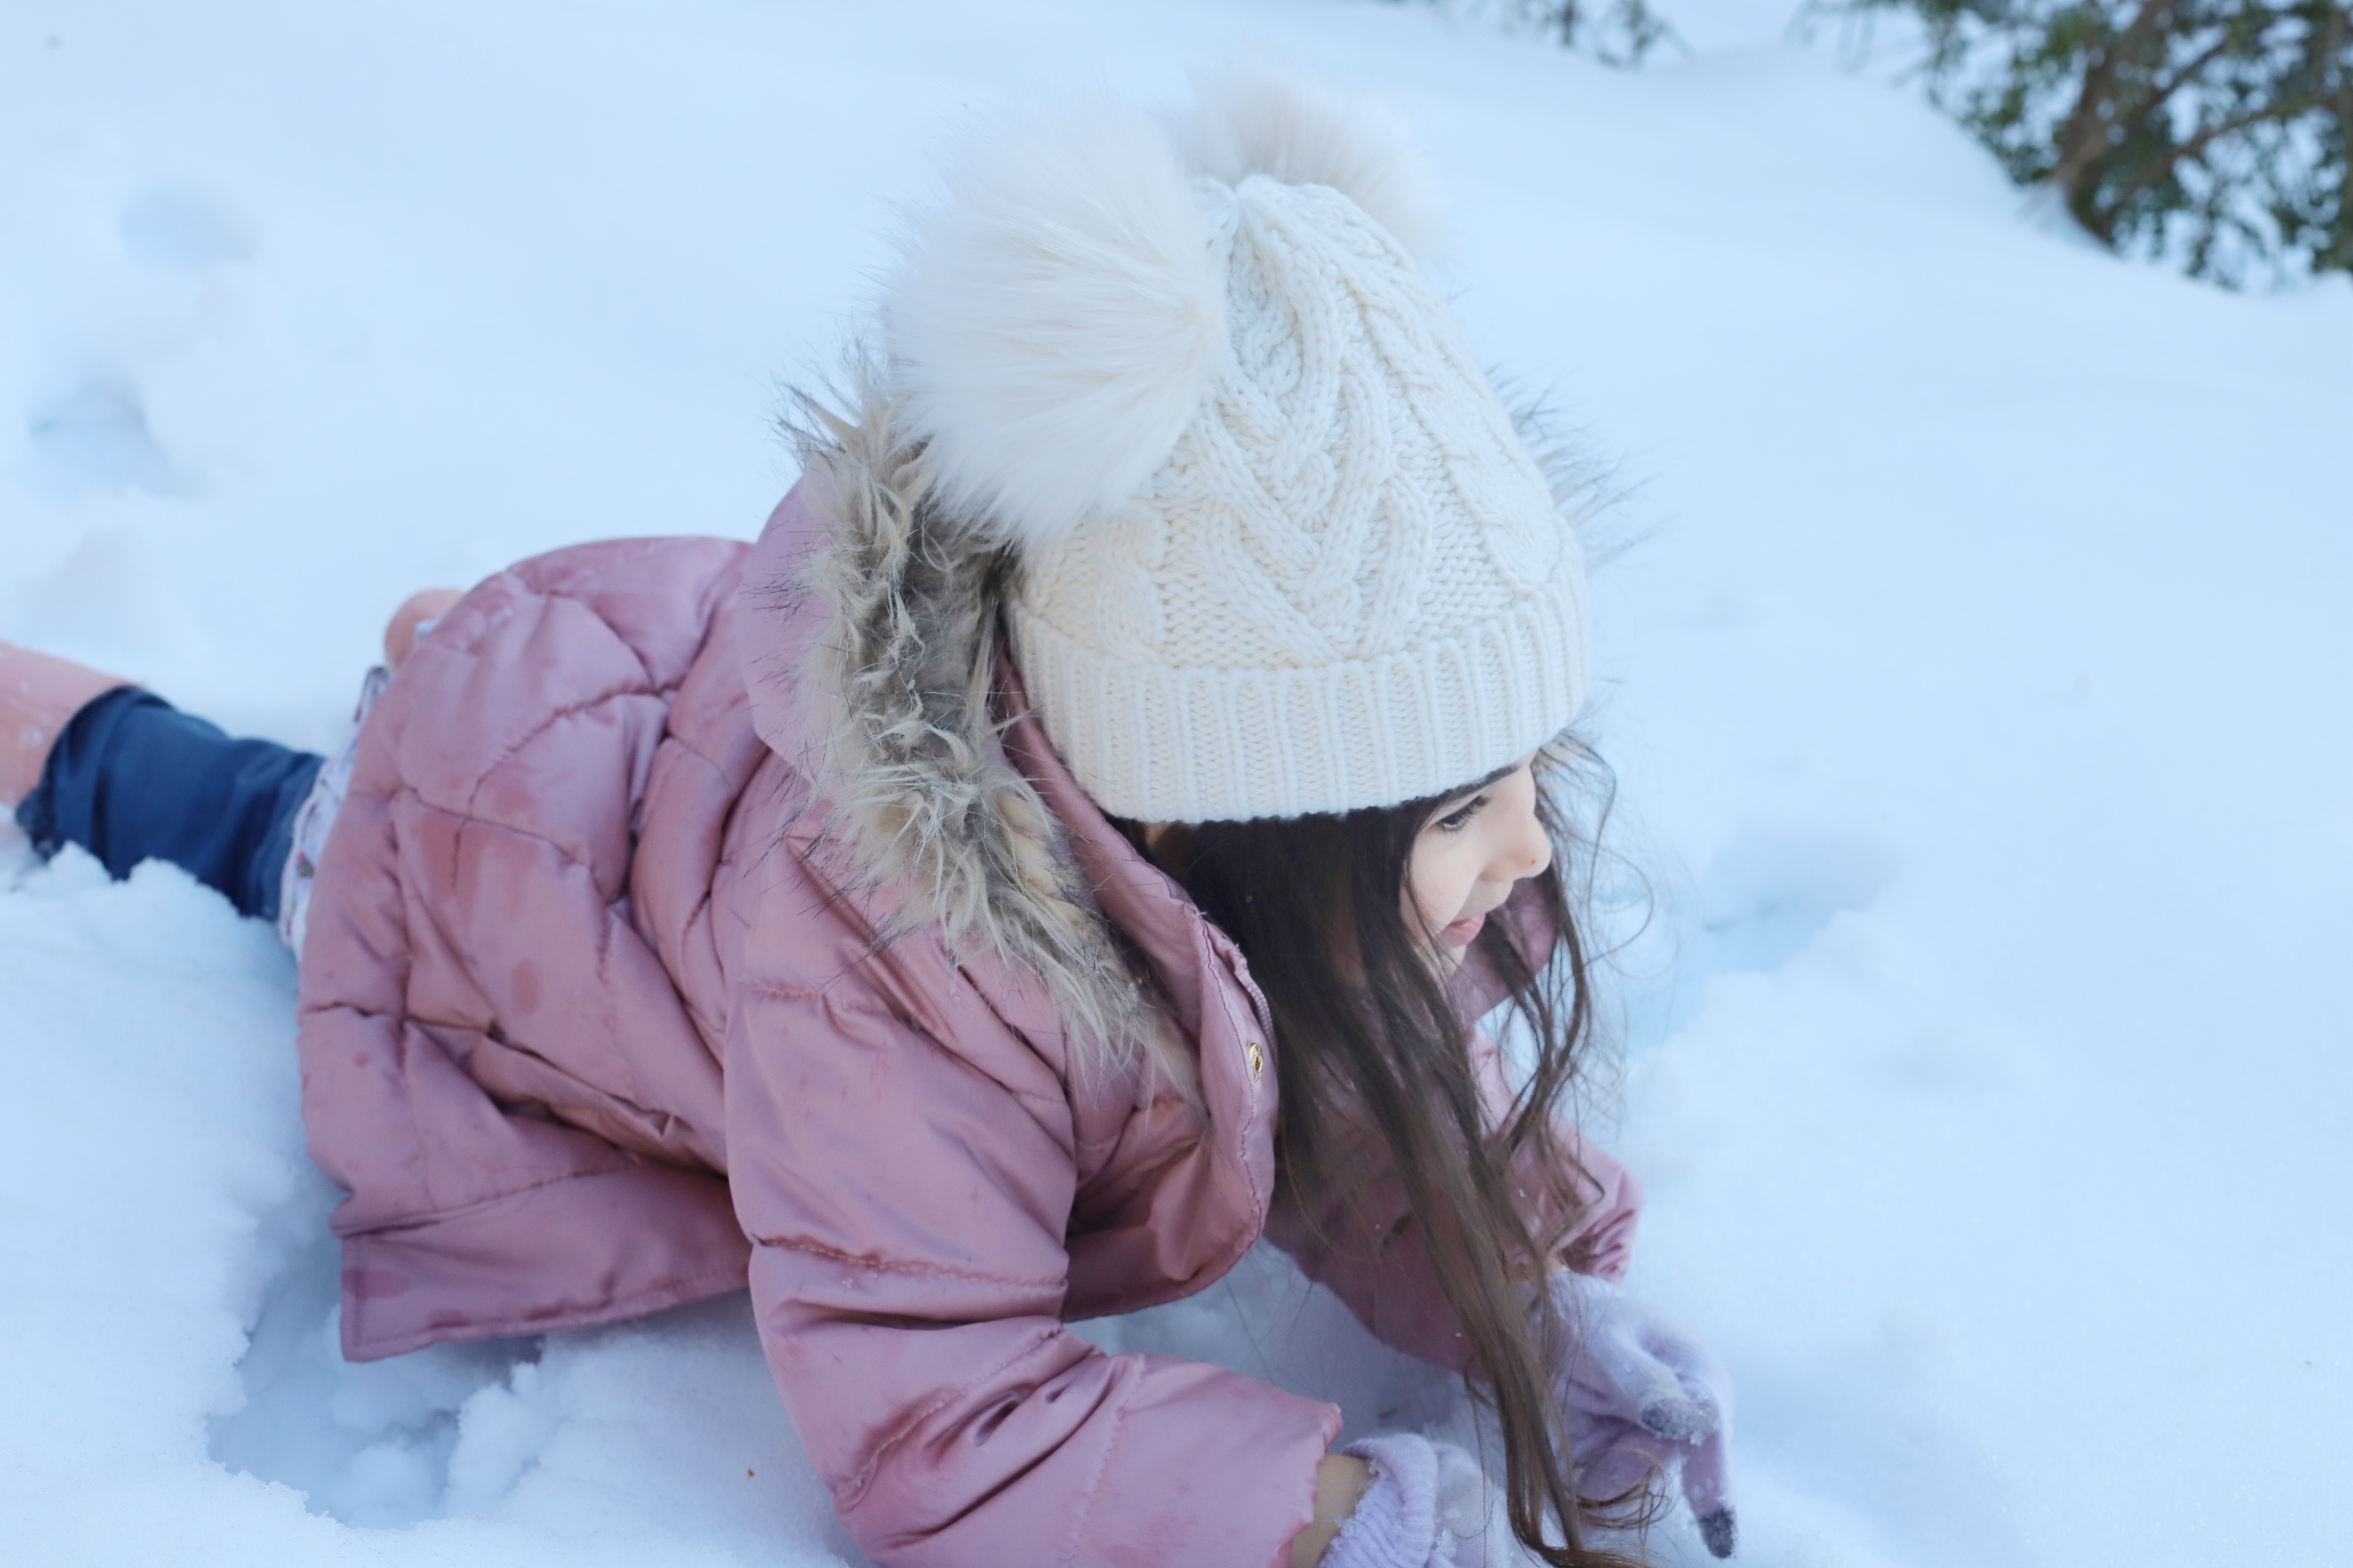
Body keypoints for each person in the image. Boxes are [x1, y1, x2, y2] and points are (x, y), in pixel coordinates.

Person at [0, 65, 1735, 1568]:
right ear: (1255, 813)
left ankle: (452, 651)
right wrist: (1325, 1511)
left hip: (659, 728)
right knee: (276, 817)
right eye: (1462, 810)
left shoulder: (1277, 861)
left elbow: (1350, 1101)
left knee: (551, 719)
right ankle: (118, 733)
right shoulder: (903, 979)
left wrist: (1537, 1308)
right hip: (477, 865)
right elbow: (938, 1418)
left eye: (1525, 774)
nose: (1527, 851)